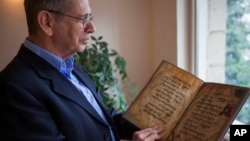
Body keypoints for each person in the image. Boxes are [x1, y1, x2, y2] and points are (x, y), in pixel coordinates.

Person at [0, 0, 162, 141]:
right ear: (47, 22)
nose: (92, 28)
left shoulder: (69, 64)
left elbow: (101, 117)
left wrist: (158, 123)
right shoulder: (13, 88)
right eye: (82, 19)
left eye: (89, 18)